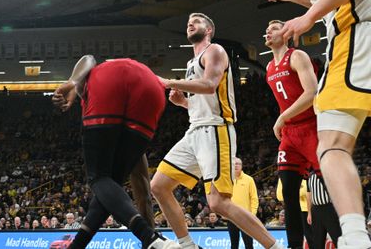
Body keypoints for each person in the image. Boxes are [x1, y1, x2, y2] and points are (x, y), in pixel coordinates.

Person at [265, 0, 371, 249]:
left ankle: (355, 238)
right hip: (356, 31)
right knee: (331, 145)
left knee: (332, 145)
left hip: (356, 35)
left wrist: (307, 18)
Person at [151, 13, 283, 249]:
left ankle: (274, 247)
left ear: (209, 30)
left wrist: (171, 83)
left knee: (219, 203)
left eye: (197, 21)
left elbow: (210, 86)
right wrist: (183, 103)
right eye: (189, 22)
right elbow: (203, 103)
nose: (190, 24)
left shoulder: (215, 51)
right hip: (195, 130)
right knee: (158, 185)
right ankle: (187, 245)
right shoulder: (192, 62)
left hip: (216, 130)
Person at [51, 55, 179, 249]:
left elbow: (88, 58)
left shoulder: (90, 82)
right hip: (152, 88)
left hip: (112, 80)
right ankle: (153, 241)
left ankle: (149, 237)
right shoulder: (121, 140)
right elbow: (142, 189)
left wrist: (72, 82)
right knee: (109, 188)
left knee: (97, 178)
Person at [263, 19, 319, 249]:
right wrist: (285, 119)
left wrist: (283, 117)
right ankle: (294, 245)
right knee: (288, 191)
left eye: (274, 28)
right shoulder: (268, 67)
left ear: (285, 34)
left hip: (311, 126)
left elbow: (311, 92)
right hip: (290, 134)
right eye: (266, 29)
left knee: (326, 190)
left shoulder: (297, 56)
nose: (267, 31)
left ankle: (339, 239)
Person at [227, 158, 259, 249]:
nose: (236, 165)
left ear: (241, 166)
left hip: (246, 217)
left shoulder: (249, 179)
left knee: (249, 244)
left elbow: (254, 198)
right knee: (234, 244)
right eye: (234, 164)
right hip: (231, 217)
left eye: (238, 164)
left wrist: (253, 214)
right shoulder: (227, 179)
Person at [307, 171, 341, 249]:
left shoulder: (329, 173)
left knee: (337, 237)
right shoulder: (310, 176)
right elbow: (309, 195)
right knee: (317, 241)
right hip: (315, 210)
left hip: (329, 208)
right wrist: (309, 213)